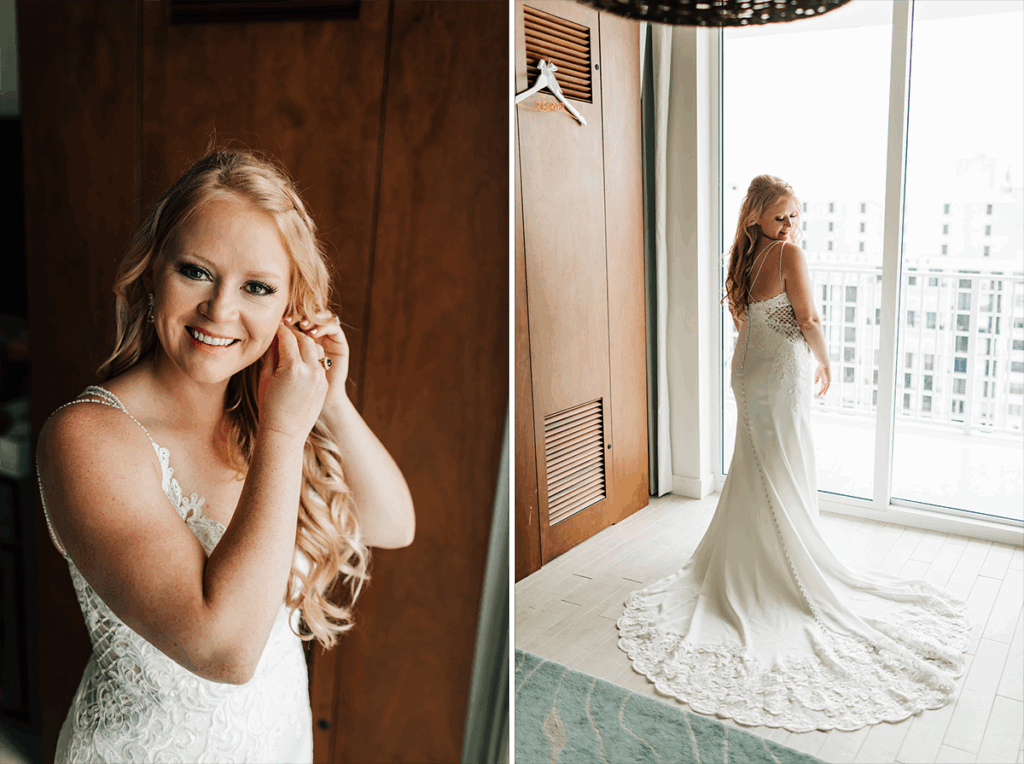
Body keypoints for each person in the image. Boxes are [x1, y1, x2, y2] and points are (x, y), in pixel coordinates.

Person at [35, 147, 416, 762]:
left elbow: (394, 526)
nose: (220, 310)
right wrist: (284, 436)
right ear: (153, 270)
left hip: (279, 738)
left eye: (257, 287)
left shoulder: (267, 414)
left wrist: (332, 404)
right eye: (196, 271)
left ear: (289, 310)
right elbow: (226, 651)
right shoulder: (88, 438)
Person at [616, 175, 972, 733]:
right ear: (758, 216)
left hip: (748, 369)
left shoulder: (743, 257)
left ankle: (754, 556)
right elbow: (807, 320)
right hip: (780, 372)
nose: (790, 226)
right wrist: (827, 362)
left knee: (760, 464)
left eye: (796, 217)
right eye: (781, 216)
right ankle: (780, 567)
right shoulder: (787, 255)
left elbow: (742, 319)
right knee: (778, 463)